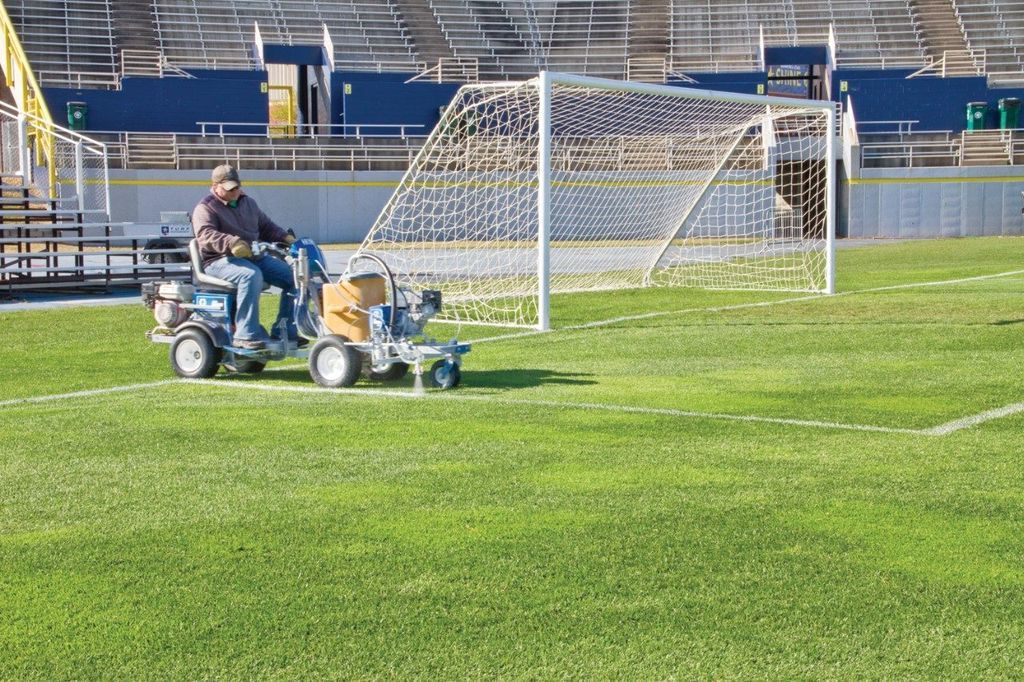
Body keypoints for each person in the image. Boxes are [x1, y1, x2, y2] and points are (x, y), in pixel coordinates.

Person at [191, 164, 298, 350]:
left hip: (253, 257)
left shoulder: (249, 203)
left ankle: (285, 329)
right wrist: (232, 243)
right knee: (250, 275)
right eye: (229, 188)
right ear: (215, 186)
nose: (234, 191)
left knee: (295, 277)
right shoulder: (205, 208)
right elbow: (205, 235)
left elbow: (266, 227)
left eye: (237, 187)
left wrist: (285, 238)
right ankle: (244, 334)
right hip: (218, 261)